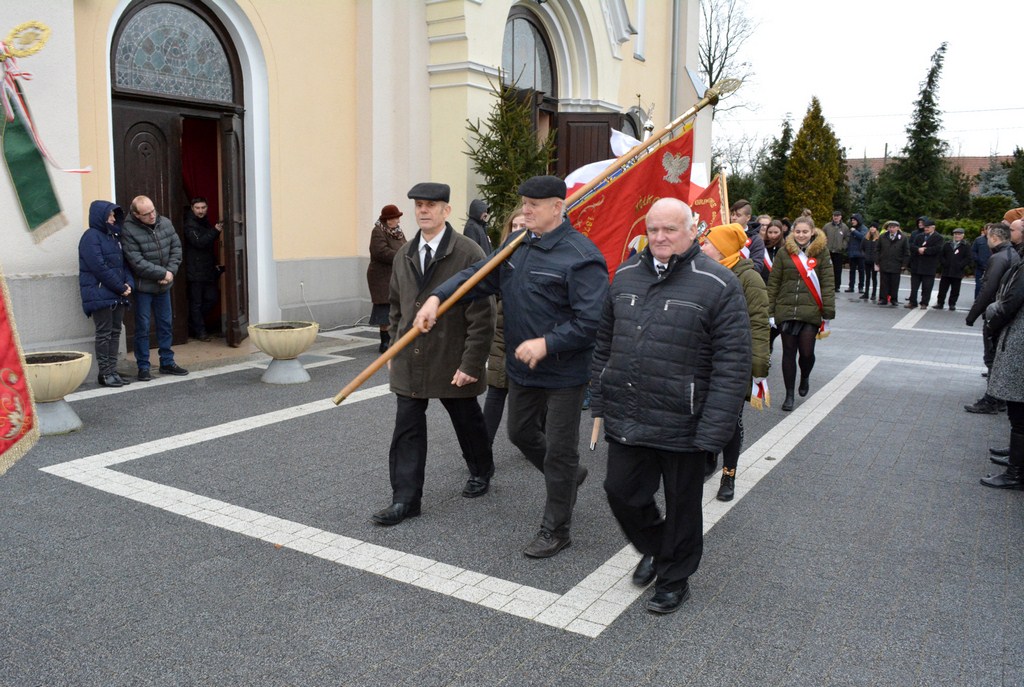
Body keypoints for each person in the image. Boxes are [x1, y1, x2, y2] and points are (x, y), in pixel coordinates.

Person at [417, 175, 609, 558]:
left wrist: (547, 343)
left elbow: (594, 321)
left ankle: (556, 528)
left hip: (565, 374)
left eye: (533, 205)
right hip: (523, 370)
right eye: (524, 203)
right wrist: (438, 297)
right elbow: (477, 276)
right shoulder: (517, 245)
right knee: (520, 434)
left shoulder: (581, 256)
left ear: (557, 207)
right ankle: (569, 478)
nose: (525, 210)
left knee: (559, 450)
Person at [590, 198, 751, 614]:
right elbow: (604, 343)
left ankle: (675, 578)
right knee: (621, 492)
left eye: (670, 230)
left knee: (682, 506)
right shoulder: (625, 274)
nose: (659, 238)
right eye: (653, 229)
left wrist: (714, 431)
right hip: (630, 413)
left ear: (692, 231)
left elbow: (732, 363)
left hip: (686, 421)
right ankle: (660, 548)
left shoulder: (718, 284)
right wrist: (599, 396)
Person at [370, 182, 495, 527]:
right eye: (419, 205)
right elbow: (397, 307)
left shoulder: (468, 252)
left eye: (431, 205)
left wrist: (471, 363)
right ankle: (405, 499)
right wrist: (394, 345)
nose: (423, 210)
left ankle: (481, 469)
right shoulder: (404, 254)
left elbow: (484, 314)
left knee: (466, 418)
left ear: (446, 211)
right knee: (407, 427)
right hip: (411, 356)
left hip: (451, 355)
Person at [699, 223, 770, 502]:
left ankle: (729, 474)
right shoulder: (703, 272)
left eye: (707, 242)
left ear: (723, 248)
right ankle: (707, 457)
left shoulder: (749, 279)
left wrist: (758, 367)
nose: (701, 245)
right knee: (704, 414)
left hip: (733, 363)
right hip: (704, 361)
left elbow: (759, 324)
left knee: (730, 422)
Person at [766, 216, 835, 411]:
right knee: (788, 352)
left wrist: (827, 312)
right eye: (798, 231)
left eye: (805, 232)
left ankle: (804, 376)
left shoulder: (822, 252)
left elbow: (828, 283)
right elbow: (774, 283)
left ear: (812, 231)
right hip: (786, 309)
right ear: (792, 232)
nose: (801, 235)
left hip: (811, 311)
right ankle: (789, 395)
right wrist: (770, 311)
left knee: (806, 353)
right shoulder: (783, 252)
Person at [121, 195, 188, 380]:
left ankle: (167, 362)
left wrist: (170, 272)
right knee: (142, 327)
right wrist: (162, 273)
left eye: (153, 211)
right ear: (136, 214)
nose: (152, 216)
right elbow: (136, 262)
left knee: (165, 324)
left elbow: (176, 248)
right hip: (144, 288)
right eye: (146, 214)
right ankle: (143, 366)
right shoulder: (128, 230)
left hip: (164, 285)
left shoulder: (164, 222)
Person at [978, 240, 1024, 489]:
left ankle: (1015, 474)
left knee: (1018, 410)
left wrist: (991, 322)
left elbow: (1010, 302)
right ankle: (1016, 464)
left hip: (1019, 341)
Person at [78, 200, 134, 387]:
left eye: (114, 215)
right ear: (100, 216)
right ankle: (105, 373)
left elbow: (123, 264)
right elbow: (99, 268)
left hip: (116, 293)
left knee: (115, 332)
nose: (113, 218)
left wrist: (128, 284)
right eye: (110, 215)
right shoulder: (90, 237)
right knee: (104, 333)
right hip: (100, 293)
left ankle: (112, 370)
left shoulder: (114, 237)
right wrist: (121, 287)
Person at [965, 223, 1020, 414]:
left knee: (992, 356)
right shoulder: (1013, 254)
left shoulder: (998, 257)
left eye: (988, 237)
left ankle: (991, 400)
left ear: (994, 238)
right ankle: (999, 398)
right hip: (1002, 312)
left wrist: (972, 315)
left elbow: (988, 289)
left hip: (996, 312)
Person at [483, 206, 525, 444]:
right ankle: (482, 447)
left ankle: (537, 438)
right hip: (501, 334)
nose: (517, 231)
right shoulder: (499, 258)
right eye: (514, 227)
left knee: (532, 398)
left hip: (531, 338)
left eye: (523, 227)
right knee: (496, 390)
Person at [366, 204, 407, 353]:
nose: (398, 221)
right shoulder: (378, 231)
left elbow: (405, 247)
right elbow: (380, 252)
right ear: (388, 219)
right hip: (381, 277)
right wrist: (400, 256)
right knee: (384, 308)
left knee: (395, 307)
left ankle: (394, 340)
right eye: (396, 218)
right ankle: (385, 343)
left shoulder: (397, 232)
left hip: (395, 275)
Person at [183, 197, 222, 342]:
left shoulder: (204, 221)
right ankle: (199, 331)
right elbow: (199, 242)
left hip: (207, 269)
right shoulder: (189, 224)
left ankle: (194, 324)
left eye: (203, 207)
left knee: (212, 299)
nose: (201, 211)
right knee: (196, 303)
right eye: (198, 208)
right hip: (195, 270)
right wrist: (216, 230)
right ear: (192, 208)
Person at [906, 217, 943, 309]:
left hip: (929, 266)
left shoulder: (938, 237)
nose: (926, 229)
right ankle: (912, 301)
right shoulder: (919, 236)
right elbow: (912, 246)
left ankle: (924, 303)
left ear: (933, 227)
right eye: (925, 227)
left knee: (927, 287)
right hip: (917, 265)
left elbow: (937, 249)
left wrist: (925, 250)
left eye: (928, 227)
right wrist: (918, 249)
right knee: (914, 286)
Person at [728, 199, 768, 281]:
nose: (734, 218)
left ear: (748, 217)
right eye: (732, 214)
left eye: (738, 215)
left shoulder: (756, 240)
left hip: (743, 281)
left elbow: (757, 266)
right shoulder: (723, 234)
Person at [934, 228, 971, 311]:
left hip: (957, 272)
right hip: (946, 271)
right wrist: (944, 263)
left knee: (955, 290)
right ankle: (940, 303)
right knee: (942, 289)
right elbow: (941, 255)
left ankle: (952, 304)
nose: (957, 236)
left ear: (963, 235)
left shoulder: (966, 245)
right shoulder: (947, 244)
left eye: (959, 234)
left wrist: (960, 265)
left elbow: (968, 258)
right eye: (955, 234)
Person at [875, 220, 909, 306]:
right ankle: (883, 299)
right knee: (884, 282)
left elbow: (906, 252)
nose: (891, 229)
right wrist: (877, 261)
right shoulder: (883, 236)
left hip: (896, 263)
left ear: (898, 228)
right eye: (890, 227)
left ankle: (894, 299)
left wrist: (904, 264)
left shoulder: (903, 238)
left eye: (893, 227)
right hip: (884, 263)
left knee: (894, 282)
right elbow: (877, 250)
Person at [821, 210, 849, 292]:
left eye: (837, 216)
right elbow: (822, 236)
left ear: (840, 217)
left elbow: (847, 238)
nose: (836, 217)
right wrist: (824, 245)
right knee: (827, 269)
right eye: (834, 216)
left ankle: (837, 286)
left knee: (837, 270)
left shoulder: (844, 227)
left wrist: (842, 246)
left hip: (838, 252)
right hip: (828, 251)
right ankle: (826, 285)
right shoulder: (827, 226)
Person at [846, 213, 867, 293]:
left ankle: (861, 287)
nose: (852, 221)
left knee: (861, 271)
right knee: (852, 271)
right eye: (852, 220)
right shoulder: (851, 228)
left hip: (860, 253)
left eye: (854, 220)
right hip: (852, 253)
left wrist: (854, 232)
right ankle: (851, 286)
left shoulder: (863, 228)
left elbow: (863, 237)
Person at [860, 223, 880, 302]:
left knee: (874, 278)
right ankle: (866, 293)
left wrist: (877, 259)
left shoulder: (878, 239)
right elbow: (861, 248)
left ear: (876, 229)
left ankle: (873, 294)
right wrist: (864, 255)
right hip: (867, 260)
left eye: (874, 227)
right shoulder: (865, 238)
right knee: (867, 277)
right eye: (871, 227)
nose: (872, 228)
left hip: (874, 261)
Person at [971, 224, 991, 300]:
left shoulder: (996, 240)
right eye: (987, 229)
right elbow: (973, 251)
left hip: (992, 267)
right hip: (980, 267)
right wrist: (978, 260)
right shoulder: (978, 240)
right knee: (979, 286)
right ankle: (976, 302)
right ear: (984, 230)